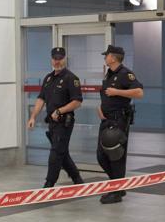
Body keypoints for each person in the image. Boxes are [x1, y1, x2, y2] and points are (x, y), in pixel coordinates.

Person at [27, 46, 85, 188]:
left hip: (64, 123)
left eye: (60, 58)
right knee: (62, 152)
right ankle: (77, 178)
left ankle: (49, 184)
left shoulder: (71, 78)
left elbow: (77, 102)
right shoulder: (48, 78)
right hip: (52, 123)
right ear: (51, 59)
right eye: (55, 59)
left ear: (65, 59)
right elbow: (41, 99)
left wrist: (60, 111)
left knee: (55, 153)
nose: (57, 61)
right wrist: (33, 117)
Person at [96, 45, 143, 204]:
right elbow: (106, 96)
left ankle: (116, 192)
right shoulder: (108, 74)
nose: (105, 57)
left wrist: (118, 92)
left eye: (106, 55)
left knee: (116, 157)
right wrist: (100, 108)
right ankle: (118, 186)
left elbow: (139, 93)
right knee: (101, 156)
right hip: (106, 120)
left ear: (113, 58)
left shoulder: (125, 74)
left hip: (118, 121)